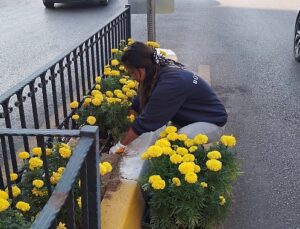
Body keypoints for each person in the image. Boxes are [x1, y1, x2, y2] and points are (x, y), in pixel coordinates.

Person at [109, 41, 227, 154]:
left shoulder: (170, 84)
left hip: (212, 122)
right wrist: (125, 125)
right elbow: (137, 103)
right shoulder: (156, 69)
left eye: (132, 72)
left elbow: (146, 121)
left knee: (179, 139)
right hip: (191, 118)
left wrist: (121, 145)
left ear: (141, 68)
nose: (132, 77)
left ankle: (198, 164)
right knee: (164, 139)